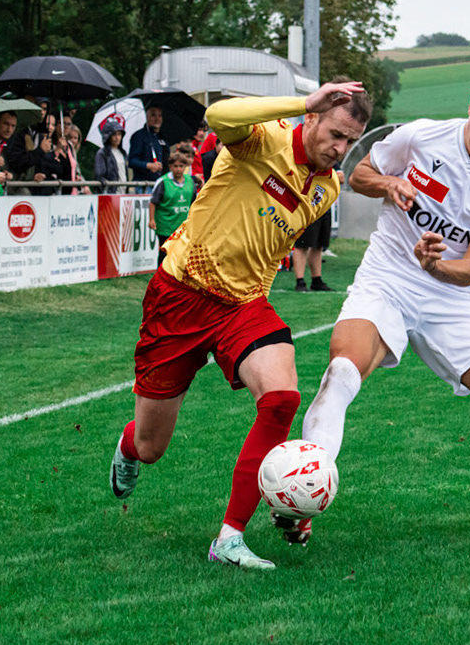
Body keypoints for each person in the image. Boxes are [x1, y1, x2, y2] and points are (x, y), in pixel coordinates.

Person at [108, 81, 371, 571]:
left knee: (282, 398)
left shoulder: (327, 188)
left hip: (242, 306)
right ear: (312, 118)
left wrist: (254, 298)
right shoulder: (264, 139)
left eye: (350, 141)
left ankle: (230, 538)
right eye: (335, 134)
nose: (340, 148)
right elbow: (219, 116)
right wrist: (303, 100)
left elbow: (270, 245)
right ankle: (128, 446)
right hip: (180, 295)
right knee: (151, 446)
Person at [298, 69, 470, 547]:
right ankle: (305, 494)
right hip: (387, 278)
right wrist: (390, 183)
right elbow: (359, 175)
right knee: (342, 372)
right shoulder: (421, 136)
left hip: (454, 298)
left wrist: (434, 264)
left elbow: (469, 270)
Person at [149, 142, 200, 265]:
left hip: (182, 225)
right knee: (165, 252)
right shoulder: (163, 181)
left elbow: (194, 202)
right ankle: (160, 274)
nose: (178, 169)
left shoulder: (190, 181)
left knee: (180, 253)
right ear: (170, 167)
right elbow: (153, 202)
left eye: (181, 166)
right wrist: (151, 219)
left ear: (185, 166)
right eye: (175, 166)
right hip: (165, 225)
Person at [127, 104, 168, 179]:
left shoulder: (162, 137)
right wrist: (148, 165)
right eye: (153, 115)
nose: (157, 119)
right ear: (147, 117)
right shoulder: (139, 136)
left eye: (159, 115)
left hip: (161, 181)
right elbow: (132, 161)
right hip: (144, 182)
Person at [94, 112, 129, 186]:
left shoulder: (123, 153)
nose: (117, 137)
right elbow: (99, 175)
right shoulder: (102, 153)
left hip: (123, 189)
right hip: (110, 190)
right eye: (114, 134)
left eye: (119, 134)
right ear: (108, 136)